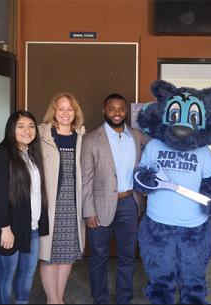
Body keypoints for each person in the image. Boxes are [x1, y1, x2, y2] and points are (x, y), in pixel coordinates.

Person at [0, 111, 49, 304]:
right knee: (6, 275)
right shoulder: (2, 154)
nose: (28, 131)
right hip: (7, 229)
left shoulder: (30, 154)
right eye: (21, 126)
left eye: (31, 126)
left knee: (27, 273)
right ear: (11, 130)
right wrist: (5, 229)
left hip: (29, 226)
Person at [81, 93, 147, 304]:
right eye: (112, 109)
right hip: (99, 207)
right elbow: (86, 178)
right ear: (104, 111)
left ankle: (124, 298)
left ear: (126, 111)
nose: (116, 113)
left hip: (130, 202)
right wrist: (88, 211)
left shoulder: (137, 136)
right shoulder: (91, 139)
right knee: (98, 257)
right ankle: (100, 299)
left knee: (127, 256)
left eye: (120, 109)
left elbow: (160, 148)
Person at [38, 92, 86, 304]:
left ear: (75, 112)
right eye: (61, 109)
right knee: (49, 255)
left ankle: (59, 298)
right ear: (54, 112)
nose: (65, 113)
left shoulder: (82, 137)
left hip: (72, 204)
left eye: (69, 109)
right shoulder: (42, 135)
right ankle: (53, 300)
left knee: (67, 254)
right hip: (49, 205)